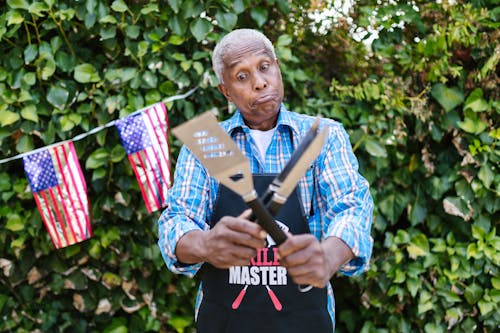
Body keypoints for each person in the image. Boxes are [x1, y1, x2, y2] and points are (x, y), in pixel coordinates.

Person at [158, 28, 374, 333]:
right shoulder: (208, 143)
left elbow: (351, 209)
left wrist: (328, 256)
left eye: (264, 67)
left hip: (305, 321)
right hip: (224, 323)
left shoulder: (320, 136)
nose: (259, 82)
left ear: (277, 68)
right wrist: (205, 244)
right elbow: (176, 222)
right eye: (242, 76)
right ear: (226, 91)